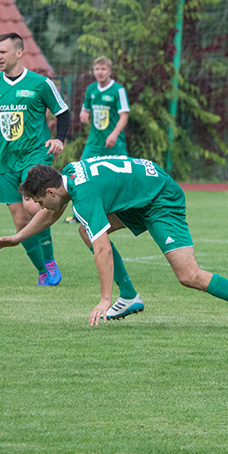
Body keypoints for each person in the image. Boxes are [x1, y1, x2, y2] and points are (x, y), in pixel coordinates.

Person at [0, 159, 228, 332]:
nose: (39, 208)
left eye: (38, 202)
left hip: (160, 199)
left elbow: (102, 249)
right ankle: (129, 297)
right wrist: (17, 237)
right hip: (141, 193)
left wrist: (104, 299)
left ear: (50, 190)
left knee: (189, 275)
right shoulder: (69, 175)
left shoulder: (84, 195)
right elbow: (53, 210)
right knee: (86, 233)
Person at [0, 32, 70, 287]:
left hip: (34, 155)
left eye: (3, 52)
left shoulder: (40, 83)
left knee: (35, 207)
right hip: (5, 161)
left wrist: (59, 139)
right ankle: (43, 269)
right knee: (21, 221)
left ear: (19, 53)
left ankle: (51, 261)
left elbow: (63, 112)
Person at [63, 56, 144, 319]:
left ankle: (117, 210)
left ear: (110, 70)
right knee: (83, 179)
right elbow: (85, 112)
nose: (99, 72)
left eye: (103, 68)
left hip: (113, 144)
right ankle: (82, 213)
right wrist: (84, 115)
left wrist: (114, 133)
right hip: (94, 144)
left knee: (120, 181)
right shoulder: (89, 90)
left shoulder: (118, 90)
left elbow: (124, 116)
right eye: (96, 68)